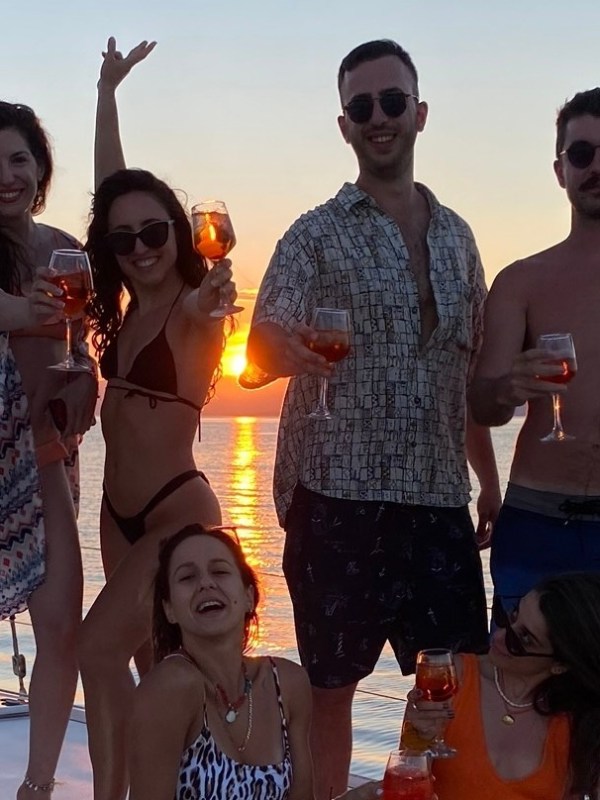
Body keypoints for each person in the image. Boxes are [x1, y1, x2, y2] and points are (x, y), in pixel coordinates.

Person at [241, 38, 501, 800]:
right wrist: (283, 348)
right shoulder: (314, 234)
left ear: (419, 114)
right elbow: (258, 343)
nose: (379, 118)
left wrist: (486, 483)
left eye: (392, 103)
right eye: (362, 107)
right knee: (332, 690)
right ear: (345, 125)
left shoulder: (459, 239)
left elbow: (467, 371)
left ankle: (417, 787)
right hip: (337, 499)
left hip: (436, 500)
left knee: (449, 689)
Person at [77, 39, 237, 800]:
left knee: (96, 651)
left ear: (178, 229)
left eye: (154, 232)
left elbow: (216, 313)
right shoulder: (134, 304)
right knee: (152, 673)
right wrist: (108, 92)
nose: (139, 247)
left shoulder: (192, 310)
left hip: (177, 510)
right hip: (117, 513)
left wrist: (213, 299)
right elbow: (114, 184)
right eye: (124, 238)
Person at [129, 523, 383, 800]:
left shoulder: (286, 683)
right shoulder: (168, 689)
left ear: (249, 597)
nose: (206, 583)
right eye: (187, 577)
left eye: (220, 571)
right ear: (169, 610)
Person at [469, 88, 600, 612]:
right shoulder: (522, 281)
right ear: (559, 170)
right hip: (539, 521)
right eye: (581, 154)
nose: (595, 167)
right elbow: (481, 405)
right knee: (523, 688)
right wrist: (509, 386)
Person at [0, 102, 97, 798]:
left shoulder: (65, 249)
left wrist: (83, 380)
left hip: (42, 453)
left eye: (18, 159)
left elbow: (79, 351)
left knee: (62, 621)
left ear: (39, 172)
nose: (5, 175)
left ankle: (36, 784)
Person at [402, 572, 600, 799]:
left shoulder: (581, 720)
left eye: (523, 639)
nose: (498, 637)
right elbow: (407, 785)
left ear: (560, 665)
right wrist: (416, 739)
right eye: (510, 617)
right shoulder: (451, 679)